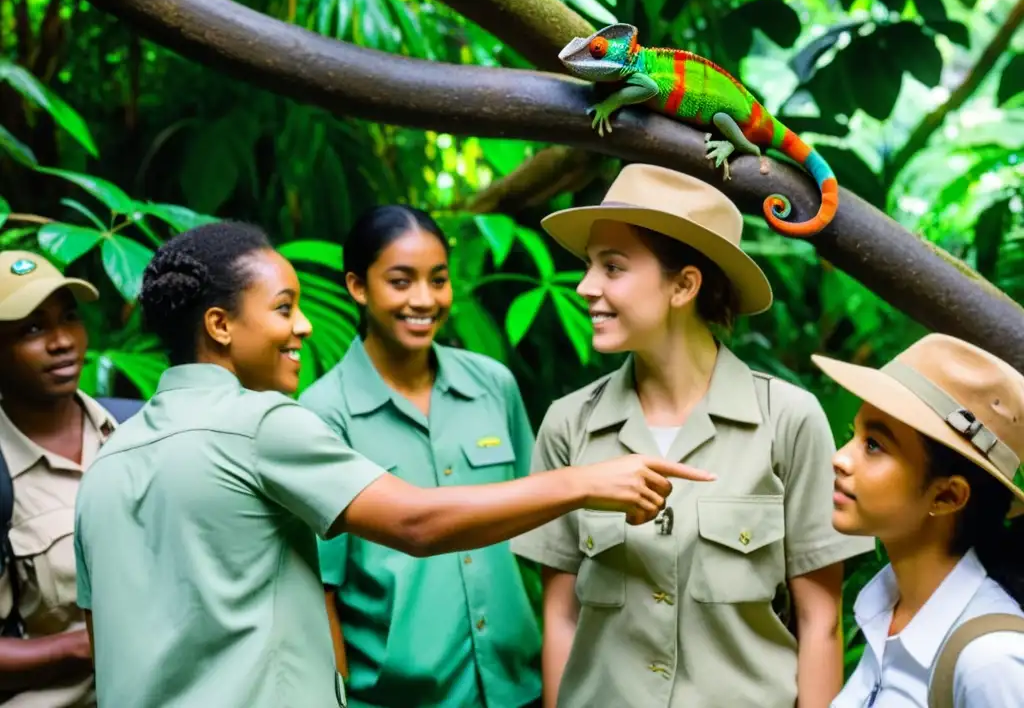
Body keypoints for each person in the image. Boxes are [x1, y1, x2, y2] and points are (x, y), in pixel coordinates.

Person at [71, 220, 717, 708]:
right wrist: (582, 481)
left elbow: (107, 647)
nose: (301, 328)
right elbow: (414, 523)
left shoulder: (106, 460)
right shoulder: (262, 424)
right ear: (219, 325)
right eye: (283, 308)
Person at [510, 164, 875, 708]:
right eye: (589, 266)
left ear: (684, 284)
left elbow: (820, 621)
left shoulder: (788, 420)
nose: (586, 287)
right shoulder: (568, 425)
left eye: (613, 268)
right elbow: (561, 613)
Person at [301, 205, 542, 708]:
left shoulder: (493, 385)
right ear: (358, 287)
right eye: (401, 281)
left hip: (516, 688)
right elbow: (318, 590)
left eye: (438, 280)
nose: (424, 300)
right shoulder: (323, 414)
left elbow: (538, 534)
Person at [814, 333, 1024, 707]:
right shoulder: (889, 608)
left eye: (874, 445)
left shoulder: (991, 663)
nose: (841, 458)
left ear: (947, 496)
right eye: (853, 435)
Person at [0, 251, 118, 707]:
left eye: (68, 317)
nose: (62, 341)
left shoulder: (135, 437)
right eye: (32, 329)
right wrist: (88, 644)